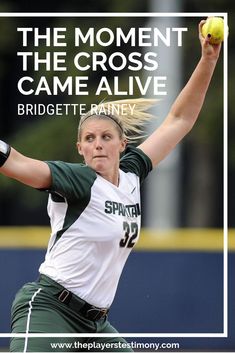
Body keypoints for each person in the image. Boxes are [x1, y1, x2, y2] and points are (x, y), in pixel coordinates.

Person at [0, 20, 221, 352]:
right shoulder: (79, 180)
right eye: (89, 138)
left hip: (95, 324)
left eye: (106, 137)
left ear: (123, 144)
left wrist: (208, 59)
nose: (98, 144)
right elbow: (18, 164)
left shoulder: (131, 174)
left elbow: (179, 120)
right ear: (80, 148)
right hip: (51, 309)